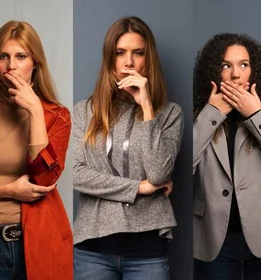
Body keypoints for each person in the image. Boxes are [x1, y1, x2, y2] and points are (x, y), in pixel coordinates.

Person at [0, 20, 72, 279]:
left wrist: (35, 112)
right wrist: (8, 191)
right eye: (3, 56)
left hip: (41, 243)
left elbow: (45, 179)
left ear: (35, 63)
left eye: (21, 56)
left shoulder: (57, 116)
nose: (12, 66)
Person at [72, 16, 183, 279]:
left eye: (138, 53)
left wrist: (146, 108)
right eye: (119, 52)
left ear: (149, 59)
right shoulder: (84, 111)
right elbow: (77, 175)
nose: (128, 62)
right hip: (92, 250)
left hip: (147, 252)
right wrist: (139, 188)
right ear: (109, 58)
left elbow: (157, 174)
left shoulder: (168, 114)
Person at [192, 33, 261, 280]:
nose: (235, 74)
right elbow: (178, 167)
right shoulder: (197, 114)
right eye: (226, 65)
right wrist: (212, 114)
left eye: (244, 64)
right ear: (214, 71)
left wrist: (256, 115)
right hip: (212, 241)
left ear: (254, 71)